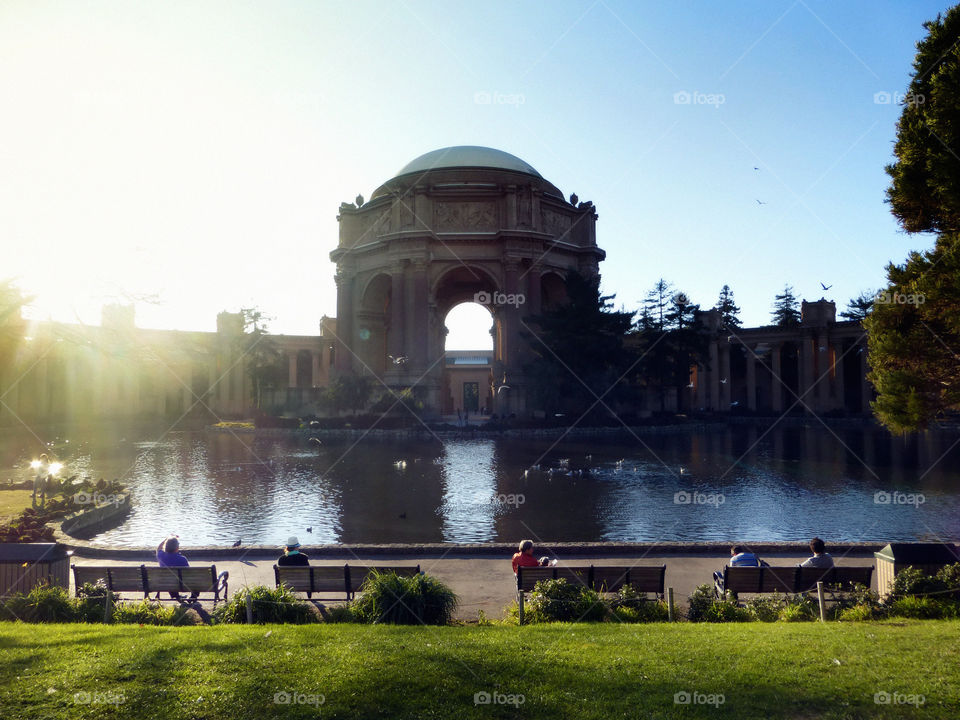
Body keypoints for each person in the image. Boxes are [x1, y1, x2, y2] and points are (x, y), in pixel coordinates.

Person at [156, 536, 198, 600]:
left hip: (167, 585)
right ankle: (193, 597)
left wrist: (166, 539)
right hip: (183, 585)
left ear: (165, 547)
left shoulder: (161, 556)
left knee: (170, 578)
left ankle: (175, 595)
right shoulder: (182, 559)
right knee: (195, 578)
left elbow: (158, 548)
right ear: (177, 548)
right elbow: (188, 574)